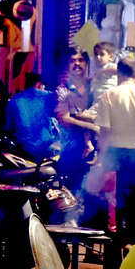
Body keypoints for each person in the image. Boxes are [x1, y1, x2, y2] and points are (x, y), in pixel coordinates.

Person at [94, 57, 135, 238]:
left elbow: (105, 133)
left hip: (116, 157)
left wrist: (101, 161)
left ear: (119, 74)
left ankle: (115, 257)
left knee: (118, 206)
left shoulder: (108, 96)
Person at [54, 50, 98, 198]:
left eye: (80, 60)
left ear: (86, 64)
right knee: (70, 195)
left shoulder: (95, 87)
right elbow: (64, 118)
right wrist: (91, 126)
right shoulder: (62, 90)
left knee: (92, 197)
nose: (77, 63)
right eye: (73, 60)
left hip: (96, 151)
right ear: (68, 65)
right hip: (71, 151)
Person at [5, 72, 58, 162]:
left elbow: (9, 128)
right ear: (39, 84)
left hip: (23, 151)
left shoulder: (14, 100)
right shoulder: (48, 96)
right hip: (45, 149)